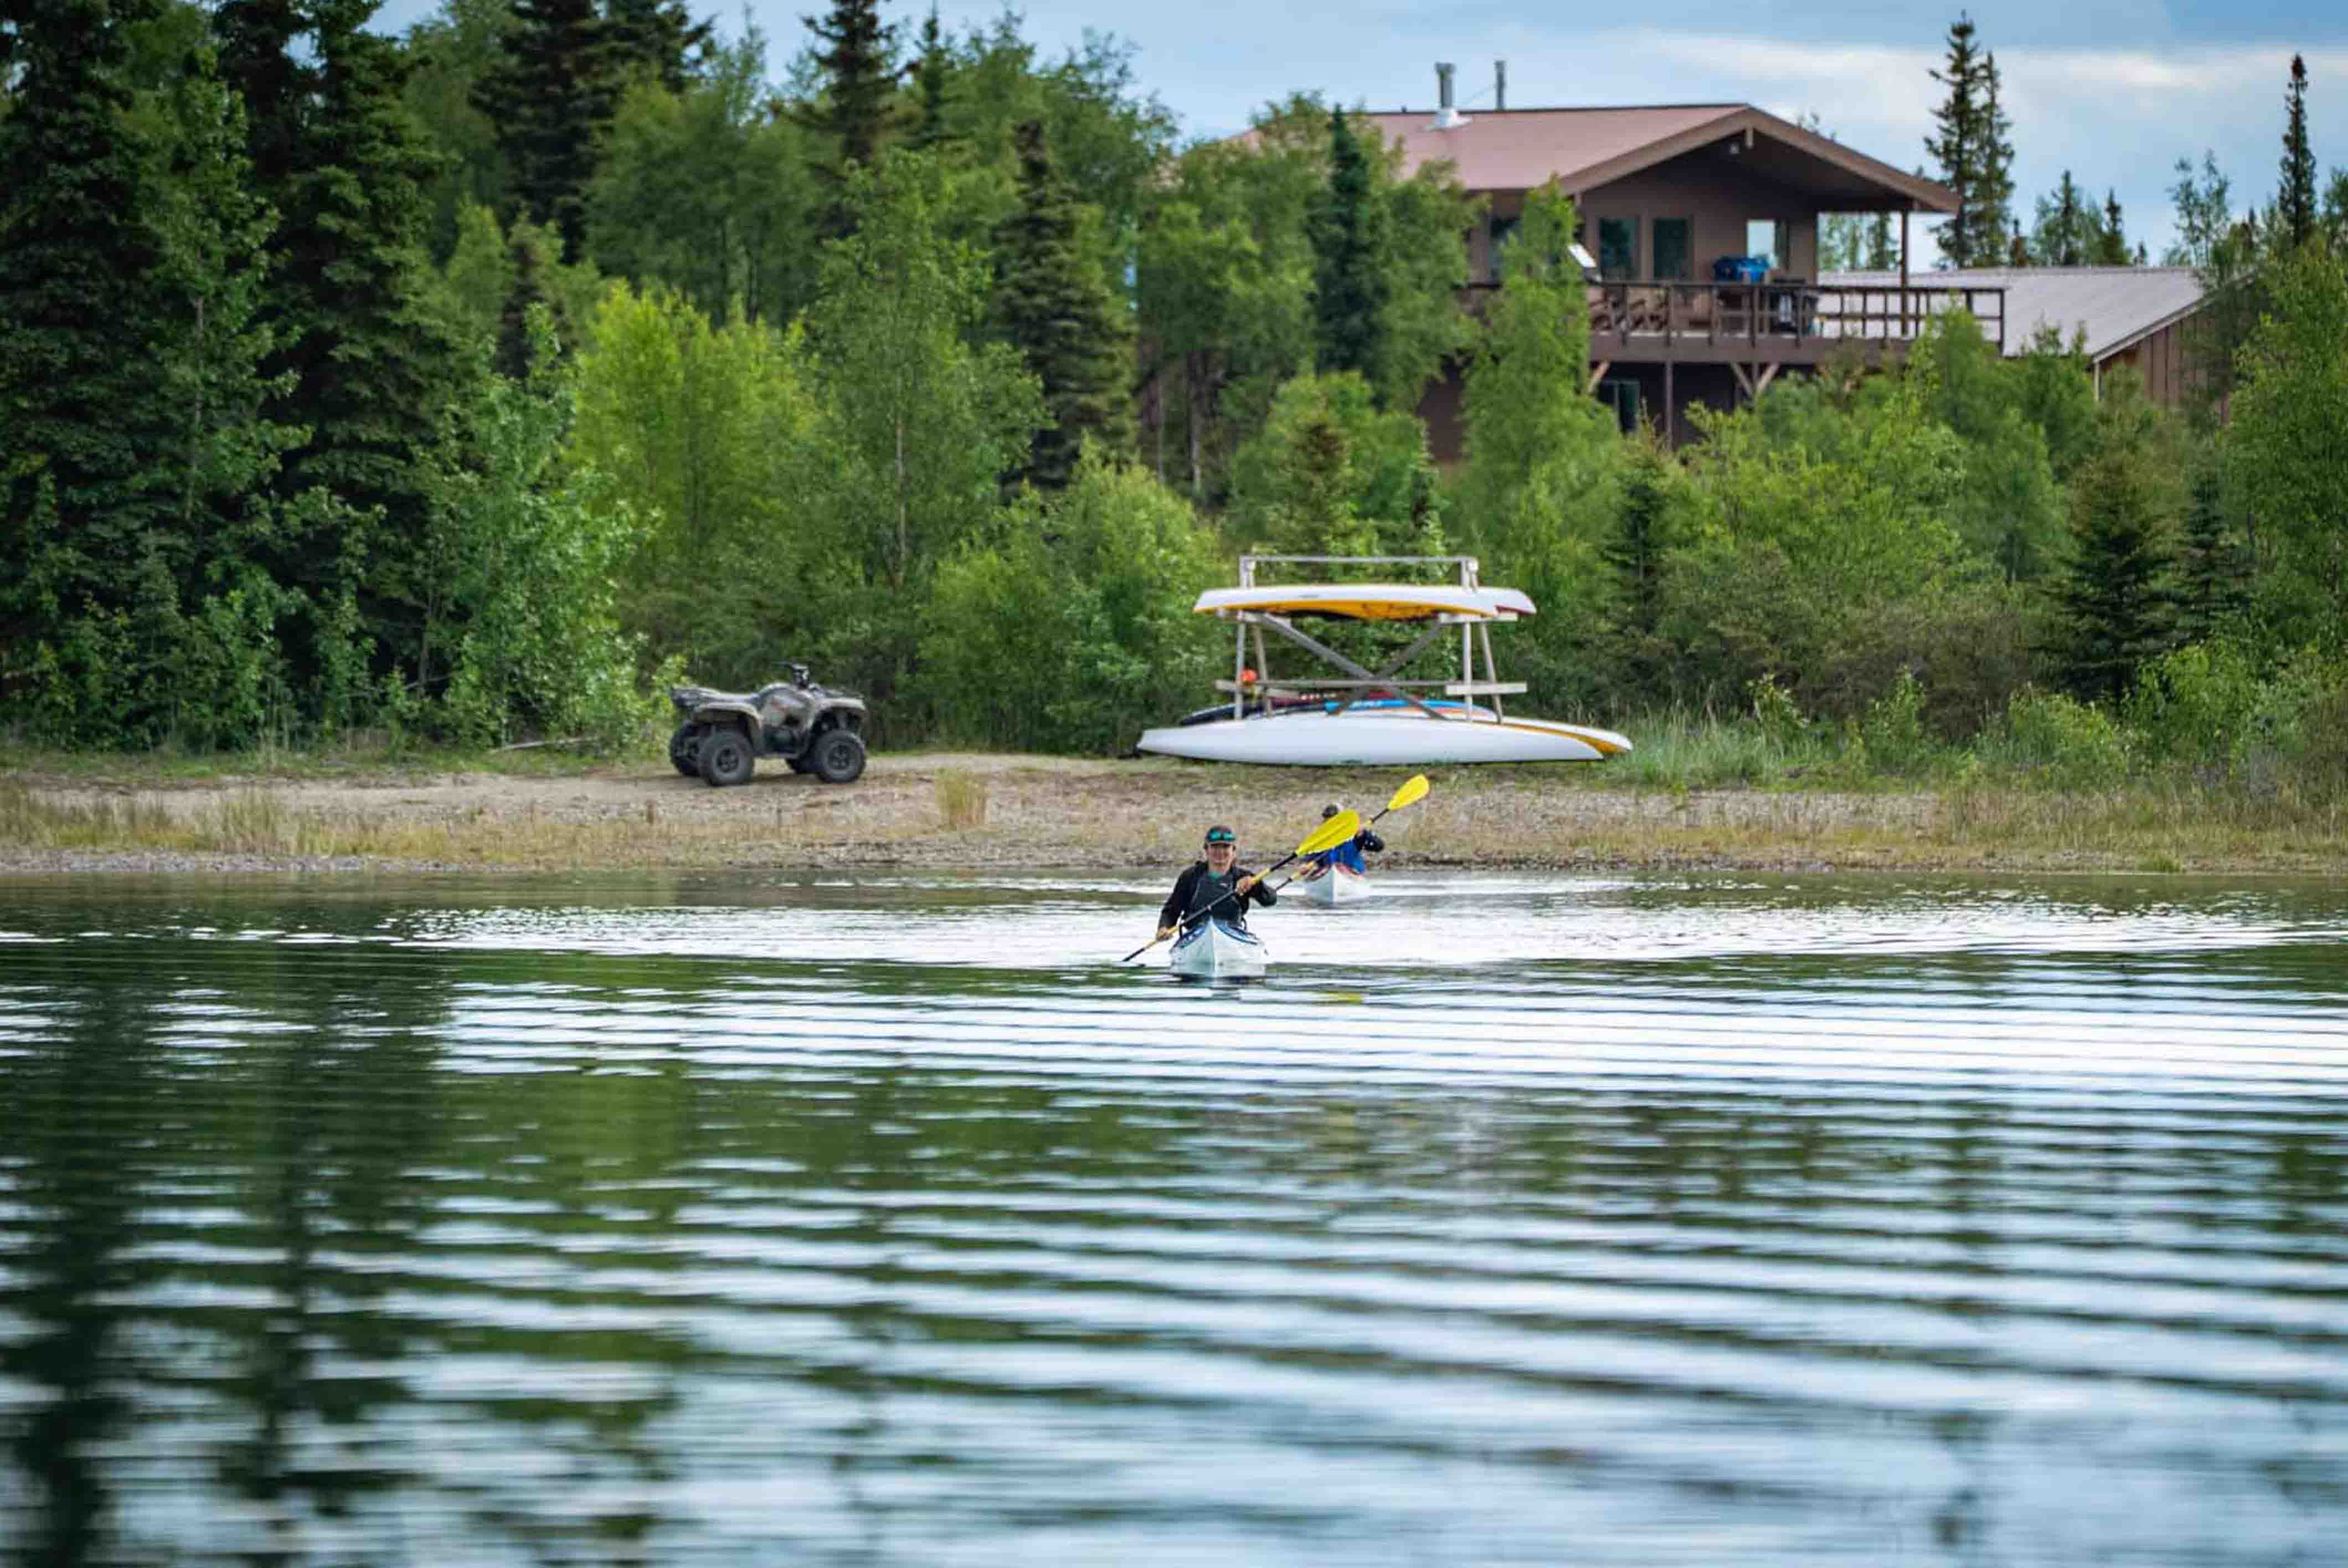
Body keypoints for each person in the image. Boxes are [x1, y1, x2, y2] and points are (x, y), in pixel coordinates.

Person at [1156, 824, 1275, 942]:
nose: (1220, 852)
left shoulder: (1244, 877)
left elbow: (1270, 900)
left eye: (1225, 847)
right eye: (1215, 847)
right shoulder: (1190, 877)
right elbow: (1172, 910)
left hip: (1233, 934)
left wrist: (1256, 884)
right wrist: (1164, 928)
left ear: (1233, 851)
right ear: (1206, 850)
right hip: (1194, 936)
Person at [1302, 803, 1384, 877]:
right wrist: (1304, 865)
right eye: (1329, 821)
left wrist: (1364, 835)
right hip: (1325, 872)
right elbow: (1309, 857)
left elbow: (1379, 847)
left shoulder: (1356, 835)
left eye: (1335, 820)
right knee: (1325, 869)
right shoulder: (1321, 839)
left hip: (1352, 872)